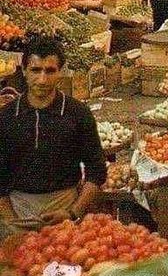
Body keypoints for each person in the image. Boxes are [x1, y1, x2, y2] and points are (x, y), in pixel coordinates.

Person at [0, 37, 106, 236]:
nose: (42, 79)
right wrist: (10, 221)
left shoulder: (78, 114)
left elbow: (96, 172)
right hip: (17, 211)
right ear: (23, 71)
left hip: (64, 208)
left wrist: (72, 212)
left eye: (50, 71)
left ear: (61, 72)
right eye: (35, 70)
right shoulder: (6, 117)